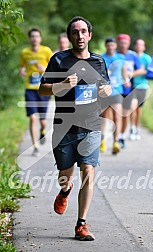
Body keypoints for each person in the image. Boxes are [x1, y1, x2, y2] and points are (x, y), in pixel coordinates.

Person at [39, 16, 111, 241]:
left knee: (88, 172)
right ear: (70, 36)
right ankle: (65, 190)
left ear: (90, 35)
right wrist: (61, 85)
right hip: (64, 127)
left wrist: (106, 91)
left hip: (90, 125)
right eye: (75, 32)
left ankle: (81, 224)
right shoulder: (59, 60)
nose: (79, 36)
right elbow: (42, 89)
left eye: (83, 32)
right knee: (65, 174)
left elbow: (104, 87)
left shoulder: (99, 61)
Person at [20, 28, 52, 156]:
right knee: (33, 118)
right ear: (29, 38)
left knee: (43, 121)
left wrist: (43, 69)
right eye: (32, 36)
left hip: (43, 89)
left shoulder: (46, 51)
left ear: (40, 38)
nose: (34, 38)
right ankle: (36, 146)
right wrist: (21, 70)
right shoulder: (25, 52)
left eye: (37, 36)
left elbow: (53, 68)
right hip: (30, 89)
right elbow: (22, 66)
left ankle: (42, 131)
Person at [116, 34, 145, 148]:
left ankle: (122, 136)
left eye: (125, 42)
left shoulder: (132, 55)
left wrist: (131, 74)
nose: (123, 45)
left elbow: (142, 70)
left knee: (125, 114)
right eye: (121, 42)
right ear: (118, 43)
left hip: (128, 89)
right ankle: (116, 137)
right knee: (115, 115)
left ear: (128, 44)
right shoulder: (114, 54)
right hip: (116, 89)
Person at [100, 38, 125, 154]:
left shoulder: (121, 58)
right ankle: (102, 140)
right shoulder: (101, 58)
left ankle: (116, 142)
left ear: (115, 46)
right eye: (108, 45)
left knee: (117, 116)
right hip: (104, 92)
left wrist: (126, 81)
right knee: (103, 117)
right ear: (106, 46)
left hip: (117, 91)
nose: (110, 47)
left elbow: (124, 72)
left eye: (112, 45)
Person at [129, 39, 152, 140]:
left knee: (139, 109)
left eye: (141, 45)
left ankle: (136, 128)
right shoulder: (131, 56)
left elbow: (150, 71)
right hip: (132, 86)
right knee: (132, 107)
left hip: (142, 86)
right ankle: (132, 128)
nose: (139, 46)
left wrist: (137, 72)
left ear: (144, 47)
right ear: (135, 46)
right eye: (137, 44)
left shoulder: (147, 58)